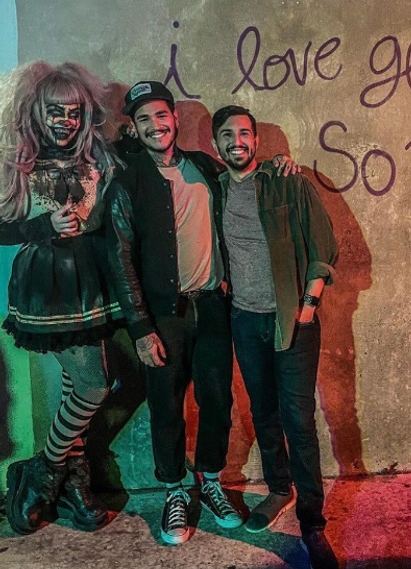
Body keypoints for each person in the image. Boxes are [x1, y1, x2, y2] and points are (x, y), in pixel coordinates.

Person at [104, 80, 243, 544]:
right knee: (166, 406)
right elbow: (121, 258)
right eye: (143, 119)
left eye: (160, 115)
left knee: (218, 400)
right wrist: (142, 328)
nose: (154, 125)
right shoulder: (127, 181)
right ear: (136, 127)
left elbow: (246, 188)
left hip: (214, 307)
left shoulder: (206, 167)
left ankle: (209, 480)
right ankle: (173, 490)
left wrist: (281, 167)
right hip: (165, 315)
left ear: (174, 118)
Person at [212, 105, 340, 569]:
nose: (237, 141)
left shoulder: (288, 181)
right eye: (227, 135)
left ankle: (313, 524)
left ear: (257, 140)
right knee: (262, 412)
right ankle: (279, 489)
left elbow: (324, 246)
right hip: (245, 321)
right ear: (216, 145)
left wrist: (308, 306)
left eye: (244, 133)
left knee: (299, 420)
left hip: (294, 320)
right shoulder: (216, 188)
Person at [1, 62, 121, 534]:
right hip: (46, 286)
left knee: (80, 385)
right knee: (93, 385)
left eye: (74, 111)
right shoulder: (18, 164)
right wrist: (42, 227)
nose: (65, 121)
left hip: (90, 283)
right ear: (38, 112)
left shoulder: (100, 161)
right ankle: (46, 470)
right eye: (56, 111)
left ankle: (68, 475)